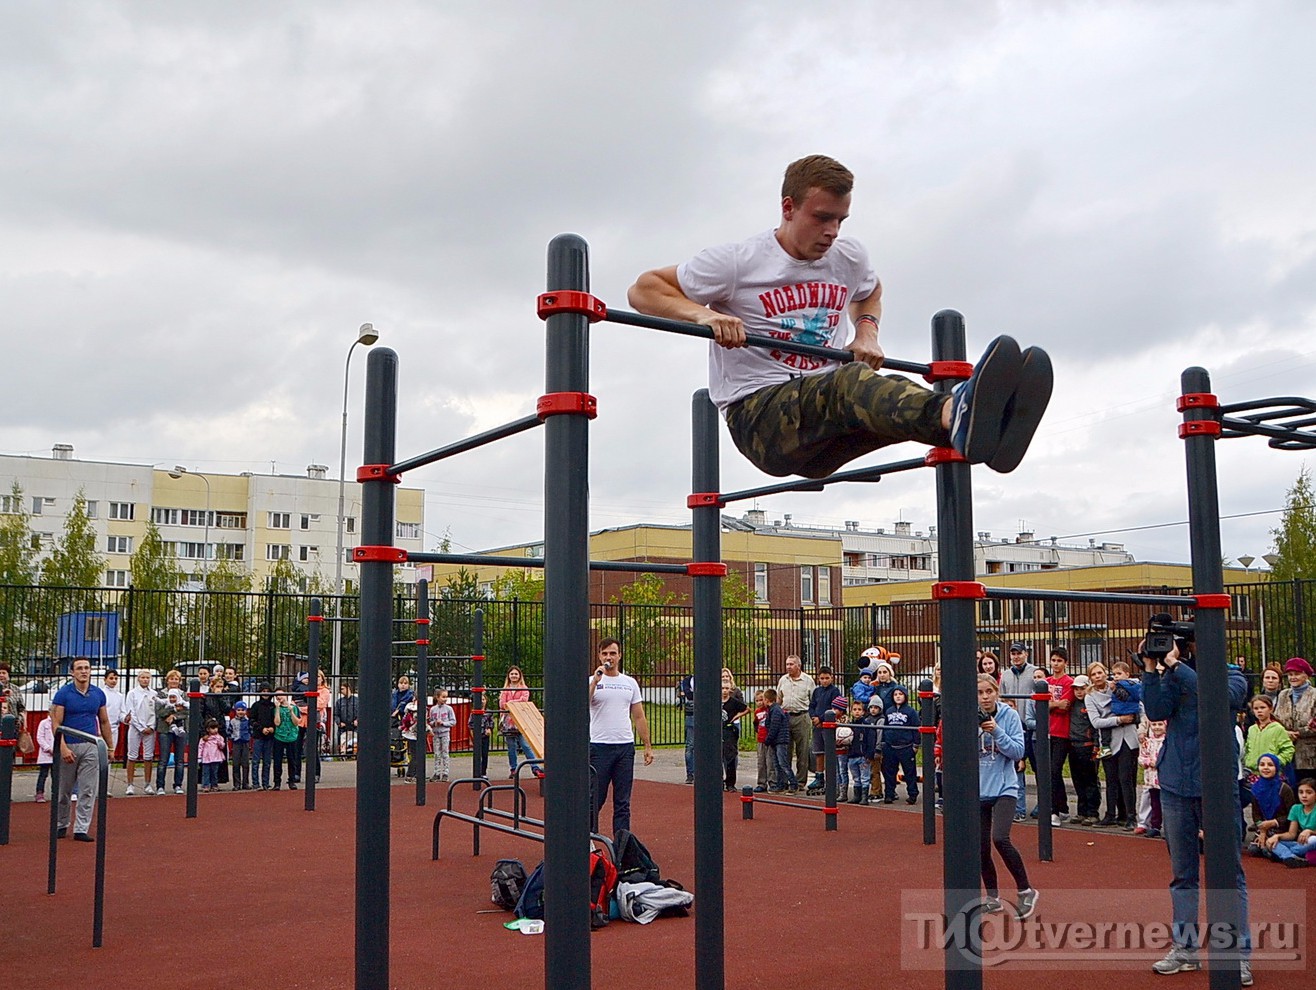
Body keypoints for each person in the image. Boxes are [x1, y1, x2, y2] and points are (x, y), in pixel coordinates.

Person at [627, 154, 1053, 480]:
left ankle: (987, 428)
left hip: (824, 432)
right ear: (788, 207)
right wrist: (702, 315)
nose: (832, 231)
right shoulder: (738, 262)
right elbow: (643, 289)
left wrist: (867, 332)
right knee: (852, 385)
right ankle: (960, 412)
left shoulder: (848, 257)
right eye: (822, 218)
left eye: (840, 219)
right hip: (761, 420)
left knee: (888, 394)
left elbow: (871, 293)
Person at [1140, 640, 1252, 982]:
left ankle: (1235, 954)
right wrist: (1149, 669)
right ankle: (1185, 949)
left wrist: (1176, 667)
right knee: (1182, 873)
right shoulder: (1173, 677)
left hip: (1217, 786)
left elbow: (1221, 699)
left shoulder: (1232, 676)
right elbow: (1157, 711)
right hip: (1176, 783)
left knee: (1228, 873)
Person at [975, 674, 1039, 919]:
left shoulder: (1009, 716)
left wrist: (997, 731)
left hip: (1005, 788)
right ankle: (992, 897)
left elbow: (1017, 752)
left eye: (988, 692)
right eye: (980, 693)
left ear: (996, 692)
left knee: (1000, 838)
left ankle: (1025, 890)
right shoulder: (970, 716)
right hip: (979, 788)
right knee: (980, 848)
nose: (985, 697)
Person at [587, 639, 654, 836]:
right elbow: (583, 703)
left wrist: (647, 746)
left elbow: (639, 715)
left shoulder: (629, 683)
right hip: (599, 746)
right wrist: (595, 682)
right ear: (599, 656)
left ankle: (622, 843)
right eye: (605, 653)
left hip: (624, 746)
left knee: (623, 801)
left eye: (613, 653)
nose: (609, 657)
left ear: (619, 656)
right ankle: (586, 840)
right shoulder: (593, 681)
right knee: (595, 798)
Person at [50, 658, 113, 842]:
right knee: (64, 790)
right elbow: (56, 723)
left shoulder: (98, 694)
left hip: (91, 745)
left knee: (88, 789)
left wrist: (110, 747)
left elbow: (104, 721)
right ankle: (61, 824)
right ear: (72, 672)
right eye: (79, 668)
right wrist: (62, 748)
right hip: (68, 745)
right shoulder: (63, 694)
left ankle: (81, 828)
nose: (84, 671)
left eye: (87, 668)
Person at [1084, 661, 1140, 829]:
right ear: (1090, 678)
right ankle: (1110, 815)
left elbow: (1137, 701)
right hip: (1107, 740)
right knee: (1110, 779)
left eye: (1100, 672)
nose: (1097, 676)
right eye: (1093, 674)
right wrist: (1118, 720)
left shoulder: (1117, 686)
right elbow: (1095, 722)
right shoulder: (1090, 696)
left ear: (1105, 672)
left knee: (1126, 779)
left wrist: (1137, 722)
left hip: (1128, 738)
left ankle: (1130, 816)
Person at [999, 643, 1038, 822]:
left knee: (1039, 768)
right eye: (1013, 654)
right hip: (1014, 727)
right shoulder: (1006, 675)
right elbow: (1002, 697)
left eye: (1019, 653)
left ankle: (1044, 805)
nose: (1015, 657)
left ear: (1026, 654)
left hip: (1031, 726)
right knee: (1018, 769)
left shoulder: (1034, 672)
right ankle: (1019, 808)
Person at [1066, 675, 1102, 826]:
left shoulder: (1091, 703)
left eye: (1082, 689)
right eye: (1076, 689)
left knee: (1091, 780)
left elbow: (1095, 726)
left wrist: (1095, 745)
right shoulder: (1073, 704)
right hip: (1074, 745)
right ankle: (1082, 811)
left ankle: (1093, 812)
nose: (1079, 692)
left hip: (1088, 746)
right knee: (1078, 780)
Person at [1045, 648, 1075, 824]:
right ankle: (1062, 807)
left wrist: (1051, 704)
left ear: (1065, 663)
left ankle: (1055, 810)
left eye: (1059, 661)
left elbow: (1065, 705)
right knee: (1049, 772)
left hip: (1062, 733)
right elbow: (1038, 705)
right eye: (1053, 660)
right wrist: (1054, 704)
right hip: (1046, 731)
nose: (1056, 664)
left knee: (1055, 770)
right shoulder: (1046, 681)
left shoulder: (1068, 682)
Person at [775, 654, 814, 788]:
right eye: (787, 664)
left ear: (798, 665)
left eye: (791, 664)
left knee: (802, 750)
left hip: (802, 716)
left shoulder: (808, 680)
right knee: (786, 750)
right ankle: (786, 780)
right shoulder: (783, 680)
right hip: (786, 717)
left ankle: (801, 781)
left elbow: (813, 700)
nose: (788, 667)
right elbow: (778, 699)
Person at [1275, 656, 1316, 781]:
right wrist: (1284, 733)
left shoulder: (1314, 694)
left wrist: (1298, 733)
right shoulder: (1283, 694)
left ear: (1306, 675)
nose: (1293, 677)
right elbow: (1275, 718)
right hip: (1286, 752)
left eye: (1297, 674)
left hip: (1310, 755)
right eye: (1290, 674)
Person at [1259, 777, 1316, 867]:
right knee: (1272, 841)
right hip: (1301, 844)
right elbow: (1291, 834)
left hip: (1312, 842)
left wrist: (1310, 831)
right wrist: (1277, 836)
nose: (1304, 796)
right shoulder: (1296, 808)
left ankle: (1283, 855)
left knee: (1313, 840)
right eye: (1301, 792)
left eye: (1309, 792)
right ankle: (1290, 857)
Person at [1248, 754, 1295, 857]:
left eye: (1270, 765)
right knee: (1254, 850)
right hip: (1265, 829)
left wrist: (1273, 822)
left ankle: (1284, 849)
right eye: (1262, 764)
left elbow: (1292, 815)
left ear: (1276, 768)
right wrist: (1263, 830)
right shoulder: (1255, 789)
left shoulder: (1284, 789)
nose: (1265, 768)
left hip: (1283, 829)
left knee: (1267, 851)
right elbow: (1256, 816)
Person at [880, 685, 919, 804]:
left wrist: (916, 744)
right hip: (890, 747)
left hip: (906, 747)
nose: (898, 696)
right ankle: (889, 794)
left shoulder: (911, 711)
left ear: (905, 696)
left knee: (910, 772)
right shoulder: (889, 711)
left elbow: (916, 728)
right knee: (889, 772)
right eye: (895, 694)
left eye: (900, 694)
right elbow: (885, 727)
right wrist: (883, 742)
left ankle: (912, 794)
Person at [806, 666, 842, 793]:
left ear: (832, 678)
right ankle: (819, 777)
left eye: (827, 678)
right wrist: (813, 717)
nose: (825, 681)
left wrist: (821, 719)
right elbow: (812, 706)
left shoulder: (835, 691)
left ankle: (831, 778)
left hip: (828, 725)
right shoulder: (817, 691)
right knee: (818, 752)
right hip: (817, 726)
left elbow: (836, 709)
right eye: (822, 678)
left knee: (829, 752)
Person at [122, 669, 157, 795]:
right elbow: (131, 712)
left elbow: (155, 712)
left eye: (147, 678)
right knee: (132, 755)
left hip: (150, 729)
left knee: (148, 756)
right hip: (135, 728)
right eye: (143, 677)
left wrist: (151, 726)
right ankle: (130, 785)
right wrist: (140, 727)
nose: (145, 680)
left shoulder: (154, 693)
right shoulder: (132, 694)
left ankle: (148, 784)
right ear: (138, 678)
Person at [1244, 694, 1295, 779]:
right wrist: (1248, 760)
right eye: (1256, 709)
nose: (1259, 711)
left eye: (1262, 708)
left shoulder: (1278, 728)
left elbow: (1288, 749)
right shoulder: (1252, 729)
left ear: (1271, 709)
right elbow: (1248, 748)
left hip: (1273, 773)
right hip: (1254, 773)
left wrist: (1276, 761)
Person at [154, 675, 189, 795]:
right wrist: (172, 711)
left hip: (180, 729)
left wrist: (174, 716)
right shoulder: (161, 695)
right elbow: (159, 711)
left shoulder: (184, 695)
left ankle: (178, 784)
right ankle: (160, 786)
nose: (174, 681)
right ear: (167, 680)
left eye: (176, 679)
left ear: (179, 681)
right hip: (165, 729)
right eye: (171, 679)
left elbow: (186, 711)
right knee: (163, 759)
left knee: (180, 760)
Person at [500, 667, 535, 777]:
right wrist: (512, 704)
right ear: (508, 676)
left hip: (520, 720)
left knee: (525, 745)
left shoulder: (523, 688)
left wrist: (510, 702)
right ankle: (513, 769)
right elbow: (502, 704)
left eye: (516, 674)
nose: (514, 676)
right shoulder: (505, 689)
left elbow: (524, 700)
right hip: (509, 721)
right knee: (511, 746)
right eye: (512, 674)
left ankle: (535, 767)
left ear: (520, 676)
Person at [1137, 717, 1167, 838]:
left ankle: (1168, 827)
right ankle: (1155, 826)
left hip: (1165, 779)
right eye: (1154, 725)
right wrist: (1149, 762)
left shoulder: (1167, 741)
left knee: (1166, 804)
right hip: (1151, 780)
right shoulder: (1147, 742)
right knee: (1155, 803)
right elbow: (1141, 758)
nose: (1157, 727)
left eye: (1160, 724)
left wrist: (1159, 763)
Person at [761, 688, 795, 792]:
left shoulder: (775, 710)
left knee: (782, 763)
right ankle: (781, 784)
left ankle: (793, 783)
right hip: (777, 741)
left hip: (779, 740)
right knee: (777, 764)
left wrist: (768, 739)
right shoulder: (773, 710)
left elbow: (774, 727)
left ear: (767, 700)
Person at [846, 698, 877, 805]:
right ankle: (857, 795)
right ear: (851, 711)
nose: (857, 711)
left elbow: (871, 741)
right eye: (854, 709)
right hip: (852, 756)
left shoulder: (867, 725)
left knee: (865, 777)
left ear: (863, 712)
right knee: (855, 777)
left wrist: (869, 754)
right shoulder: (849, 726)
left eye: (859, 709)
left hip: (863, 756)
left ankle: (864, 797)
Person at [720, 683, 748, 791]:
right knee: (719, 756)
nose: (724, 691)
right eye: (722, 688)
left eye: (727, 688)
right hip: (719, 730)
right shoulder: (715, 701)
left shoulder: (733, 702)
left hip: (729, 730)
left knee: (730, 756)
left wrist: (737, 716)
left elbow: (746, 709)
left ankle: (730, 783)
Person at [272, 689, 302, 790]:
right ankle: (277, 782)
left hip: (292, 737)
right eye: (277, 696)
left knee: (292, 760)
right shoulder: (276, 708)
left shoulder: (294, 707)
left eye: (281, 695)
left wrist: (291, 710)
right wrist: (277, 709)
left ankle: (292, 780)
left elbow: (296, 722)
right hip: (279, 736)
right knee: (277, 760)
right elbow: (277, 723)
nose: (279, 697)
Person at [250, 685, 277, 789]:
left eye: (267, 691)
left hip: (269, 737)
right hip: (258, 736)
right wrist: (261, 728)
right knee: (256, 760)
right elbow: (252, 720)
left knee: (267, 761)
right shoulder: (256, 705)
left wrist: (272, 728)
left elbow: (276, 719)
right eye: (263, 691)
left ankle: (265, 783)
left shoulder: (273, 706)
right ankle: (255, 783)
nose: (265, 693)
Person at [428, 689, 456, 782]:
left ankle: (445, 773)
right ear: (437, 697)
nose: (445, 699)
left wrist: (443, 723)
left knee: (445, 753)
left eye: (446, 697)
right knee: (436, 753)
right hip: (436, 733)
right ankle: (436, 772)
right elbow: (430, 722)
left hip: (445, 733)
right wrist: (434, 723)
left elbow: (453, 721)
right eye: (443, 697)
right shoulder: (432, 709)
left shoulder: (449, 709)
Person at [751, 690, 774, 793]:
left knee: (770, 762)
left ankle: (772, 782)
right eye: (757, 700)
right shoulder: (757, 712)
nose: (760, 702)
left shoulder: (769, 710)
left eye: (761, 700)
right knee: (761, 762)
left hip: (769, 739)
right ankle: (761, 783)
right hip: (760, 740)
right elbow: (755, 723)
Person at [227, 701, 252, 790]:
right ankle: (236, 784)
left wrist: (248, 737)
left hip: (245, 743)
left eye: (243, 710)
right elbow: (229, 731)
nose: (241, 712)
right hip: (236, 743)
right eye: (238, 710)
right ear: (235, 711)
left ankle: (245, 783)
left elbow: (250, 730)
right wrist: (232, 738)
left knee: (245, 764)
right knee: (236, 764)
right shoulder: (233, 721)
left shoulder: (248, 721)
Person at [677, 671, 696, 785]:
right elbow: (688, 694)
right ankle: (690, 774)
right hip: (691, 715)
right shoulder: (687, 680)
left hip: (704, 714)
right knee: (690, 745)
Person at [198, 718, 226, 793]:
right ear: (208, 729)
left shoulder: (219, 737)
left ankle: (214, 785)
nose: (215, 730)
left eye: (216, 728)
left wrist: (220, 743)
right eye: (213, 728)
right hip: (206, 758)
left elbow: (222, 746)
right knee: (206, 773)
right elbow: (200, 747)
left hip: (216, 758)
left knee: (214, 773)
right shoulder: (204, 739)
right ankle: (206, 785)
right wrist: (199, 757)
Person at [34, 705, 55, 802]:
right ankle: (39, 793)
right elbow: (40, 737)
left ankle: (55, 792)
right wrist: (48, 748)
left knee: (56, 775)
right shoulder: (44, 723)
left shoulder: (60, 723)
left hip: (57, 754)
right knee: (43, 774)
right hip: (45, 754)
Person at [336, 683, 359, 756]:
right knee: (343, 741)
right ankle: (343, 755)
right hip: (343, 727)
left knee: (355, 741)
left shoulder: (357, 701)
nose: (341, 691)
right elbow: (336, 714)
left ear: (348, 688)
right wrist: (339, 722)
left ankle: (354, 755)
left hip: (355, 727)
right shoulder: (339, 702)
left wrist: (358, 720)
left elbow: (361, 712)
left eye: (342, 689)